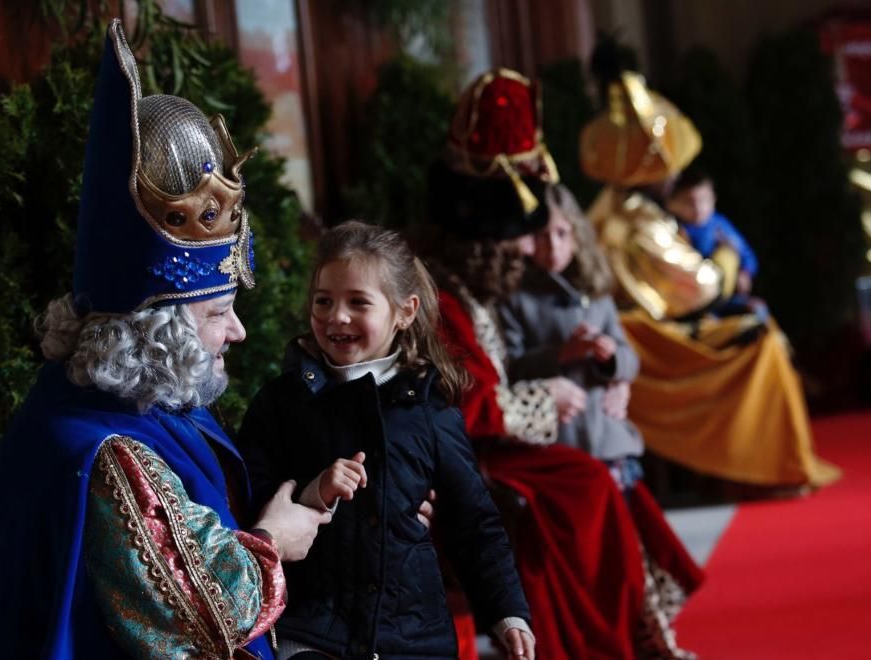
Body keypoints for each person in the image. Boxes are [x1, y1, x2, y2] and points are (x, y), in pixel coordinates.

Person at [0, 20, 330, 659]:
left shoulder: (91, 399)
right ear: (154, 328)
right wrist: (276, 538)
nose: (239, 331)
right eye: (219, 311)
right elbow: (205, 615)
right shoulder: (114, 455)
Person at [425, 67, 676, 660]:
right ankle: (586, 643)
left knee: (597, 481)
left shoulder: (475, 286)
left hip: (492, 441)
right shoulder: (448, 296)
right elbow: (473, 404)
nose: (524, 247)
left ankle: (626, 636)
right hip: (467, 452)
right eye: (516, 235)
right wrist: (549, 397)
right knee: (581, 489)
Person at [238, 221, 534, 660]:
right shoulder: (283, 402)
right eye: (324, 301)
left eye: (358, 302)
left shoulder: (429, 412)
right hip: (312, 631)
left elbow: (474, 523)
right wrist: (310, 492)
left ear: (405, 312)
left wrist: (508, 612)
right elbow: (245, 494)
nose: (337, 317)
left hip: (412, 638)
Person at [579, 61, 840, 489]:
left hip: (639, 334)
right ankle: (763, 468)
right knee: (763, 341)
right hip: (656, 345)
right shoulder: (639, 221)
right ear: (650, 172)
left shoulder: (610, 205)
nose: (677, 177)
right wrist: (727, 258)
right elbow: (699, 290)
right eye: (671, 169)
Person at [500, 182, 705, 657]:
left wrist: (614, 364)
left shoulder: (596, 287)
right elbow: (507, 367)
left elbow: (630, 357)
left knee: (633, 557)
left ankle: (654, 639)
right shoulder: (515, 296)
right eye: (545, 236)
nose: (555, 247)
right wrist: (562, 355)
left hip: (609, 444)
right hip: (564, 447)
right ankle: (605, 639)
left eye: (564, 234)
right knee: (589, 562)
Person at [666, 167, 759, 301]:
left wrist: (745, 272)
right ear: (672, 204)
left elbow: (744, 252)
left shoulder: (719, 226)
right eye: (688, 202)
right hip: (691, 293)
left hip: (725, 292)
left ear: (713, 199)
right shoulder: (672, 227)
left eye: (703, 200)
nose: (698, 208)